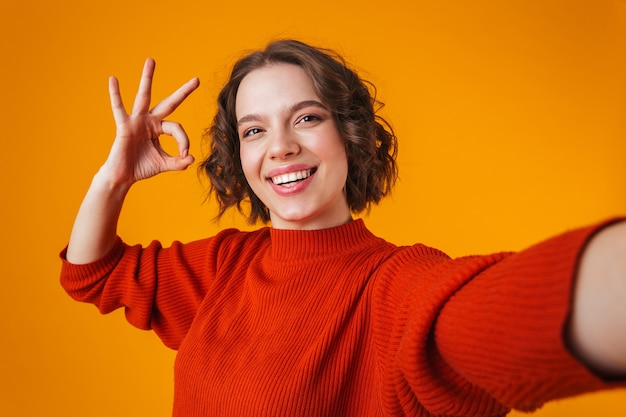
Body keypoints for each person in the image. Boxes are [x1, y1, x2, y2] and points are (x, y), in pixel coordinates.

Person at [60, 39, 625, 416]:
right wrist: (115, 178)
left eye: (307, 117)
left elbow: (498, 316)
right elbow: (92, 274)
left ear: (350, 134)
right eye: (254, 130)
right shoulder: (220, 267)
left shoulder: (395, 286)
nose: (280, 146)